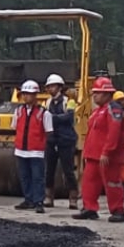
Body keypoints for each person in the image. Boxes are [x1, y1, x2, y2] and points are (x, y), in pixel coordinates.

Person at [73, 76, 124, 223]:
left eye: (97, 92)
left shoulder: (113, 109)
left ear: (107, 94)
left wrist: (107, 151)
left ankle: (118, 211)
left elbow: (114, 133)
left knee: (112, 182)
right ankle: (89, 208)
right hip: (93, 155)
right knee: (89, 183)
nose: (94, 95)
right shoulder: (98, 111)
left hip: (107, 156)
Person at [12, 80, 52, 213]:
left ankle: (38, 201)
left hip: (36, 151)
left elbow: (49, 132)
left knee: (37, 177)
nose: (25, 97)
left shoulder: (44, 113)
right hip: (21, 151)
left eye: (29, 94)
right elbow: (15, 128)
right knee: (24, 177)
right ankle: (28, 199)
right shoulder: (18, 111)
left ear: (35, 95)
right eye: (24, 94)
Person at [43, 73, 79, 209]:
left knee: (68, 170)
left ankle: (73, 198)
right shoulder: (47, 102)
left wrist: (52, 118)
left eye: (52, 86)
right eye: (49, 86)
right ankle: (48, 197)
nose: (50, 89)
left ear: (59, 87)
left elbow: (69, 118)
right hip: (52, 139)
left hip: (66, 139)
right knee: (49, 170)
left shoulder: (68, 101)